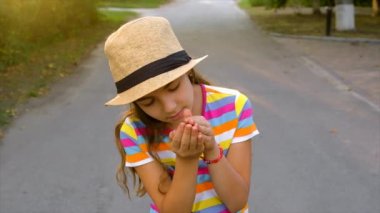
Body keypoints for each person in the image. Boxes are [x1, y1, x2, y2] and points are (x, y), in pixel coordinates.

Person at [104, 16, 259, 213]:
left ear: (188, 73)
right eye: (148, 102)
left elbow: (237, 202)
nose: (169, 107)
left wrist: (212, 149)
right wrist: (187, 159)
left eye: (173, 87)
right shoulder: (134, 131)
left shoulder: (234, 106)